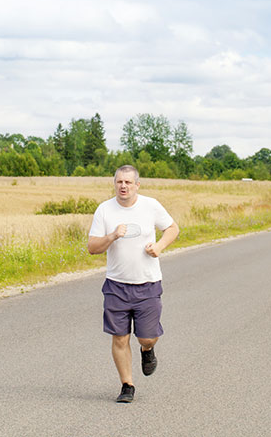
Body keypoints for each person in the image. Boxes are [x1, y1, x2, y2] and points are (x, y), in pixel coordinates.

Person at [87, 165, 179, 403]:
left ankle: (147, 350)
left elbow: (172, 228)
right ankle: (127, 385)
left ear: (137, 184)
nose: (124, 186)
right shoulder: (105, 210)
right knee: (119, 337)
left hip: (147, 284)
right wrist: (112, 236)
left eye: (128, 182)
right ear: (114, 183)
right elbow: (92, 248)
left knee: (146, 337)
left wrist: (158, 247)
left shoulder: (151, 206)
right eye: (120, 182)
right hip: (116, 285)